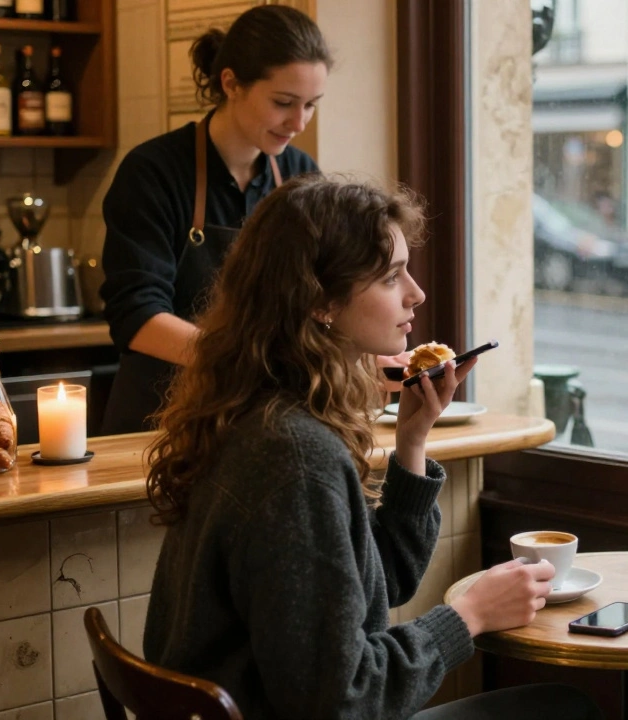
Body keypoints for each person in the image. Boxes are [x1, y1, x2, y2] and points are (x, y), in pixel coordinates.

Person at [141, 175, 602, 720]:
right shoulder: (294, 454)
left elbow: (371, 589)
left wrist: (412, 440)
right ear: (320, 299)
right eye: (391, 276)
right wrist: (467, 617)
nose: (417, 293)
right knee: (562, 708)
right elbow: (341, 698)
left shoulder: (252, 411)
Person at [98, 5, 407, 434]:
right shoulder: (154, 171)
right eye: (283, 103)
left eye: (311, 106)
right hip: (160, 417)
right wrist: (252, 360)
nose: (298, 122)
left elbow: (320, 298)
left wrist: (364, 354)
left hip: (264, 419)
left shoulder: (300, 176)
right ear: (231, 83)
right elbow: (137, 315)